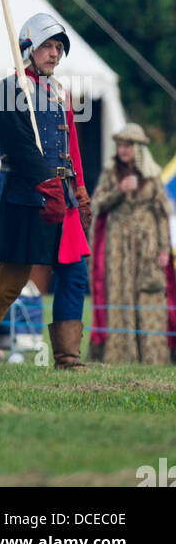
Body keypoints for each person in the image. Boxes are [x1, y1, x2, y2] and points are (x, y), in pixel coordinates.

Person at [0, 13, 92, 369]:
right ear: (28, 49)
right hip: (26, 196)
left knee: (73, 271)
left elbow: (71, 146)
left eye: (57, 48)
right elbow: (21, 147)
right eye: (47, 47)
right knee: (12, 279)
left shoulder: (59, 92)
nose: (54, 54)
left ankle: (68, 358)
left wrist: (79, 188)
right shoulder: (7, 90)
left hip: (61, 195)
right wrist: (47, 186)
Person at [89, 124, 175, 364]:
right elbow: (97, 204)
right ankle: (121, 356)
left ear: (137, 148)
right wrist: (118, 190)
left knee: (150, 295)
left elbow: (161, 213)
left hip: (148, 242)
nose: (122, 149)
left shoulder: (152, 175)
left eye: (127, 145)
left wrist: (164, 249)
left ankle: (153, 357)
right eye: (120, 144)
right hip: (117, 245)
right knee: (118, 294)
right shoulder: (110, 173)